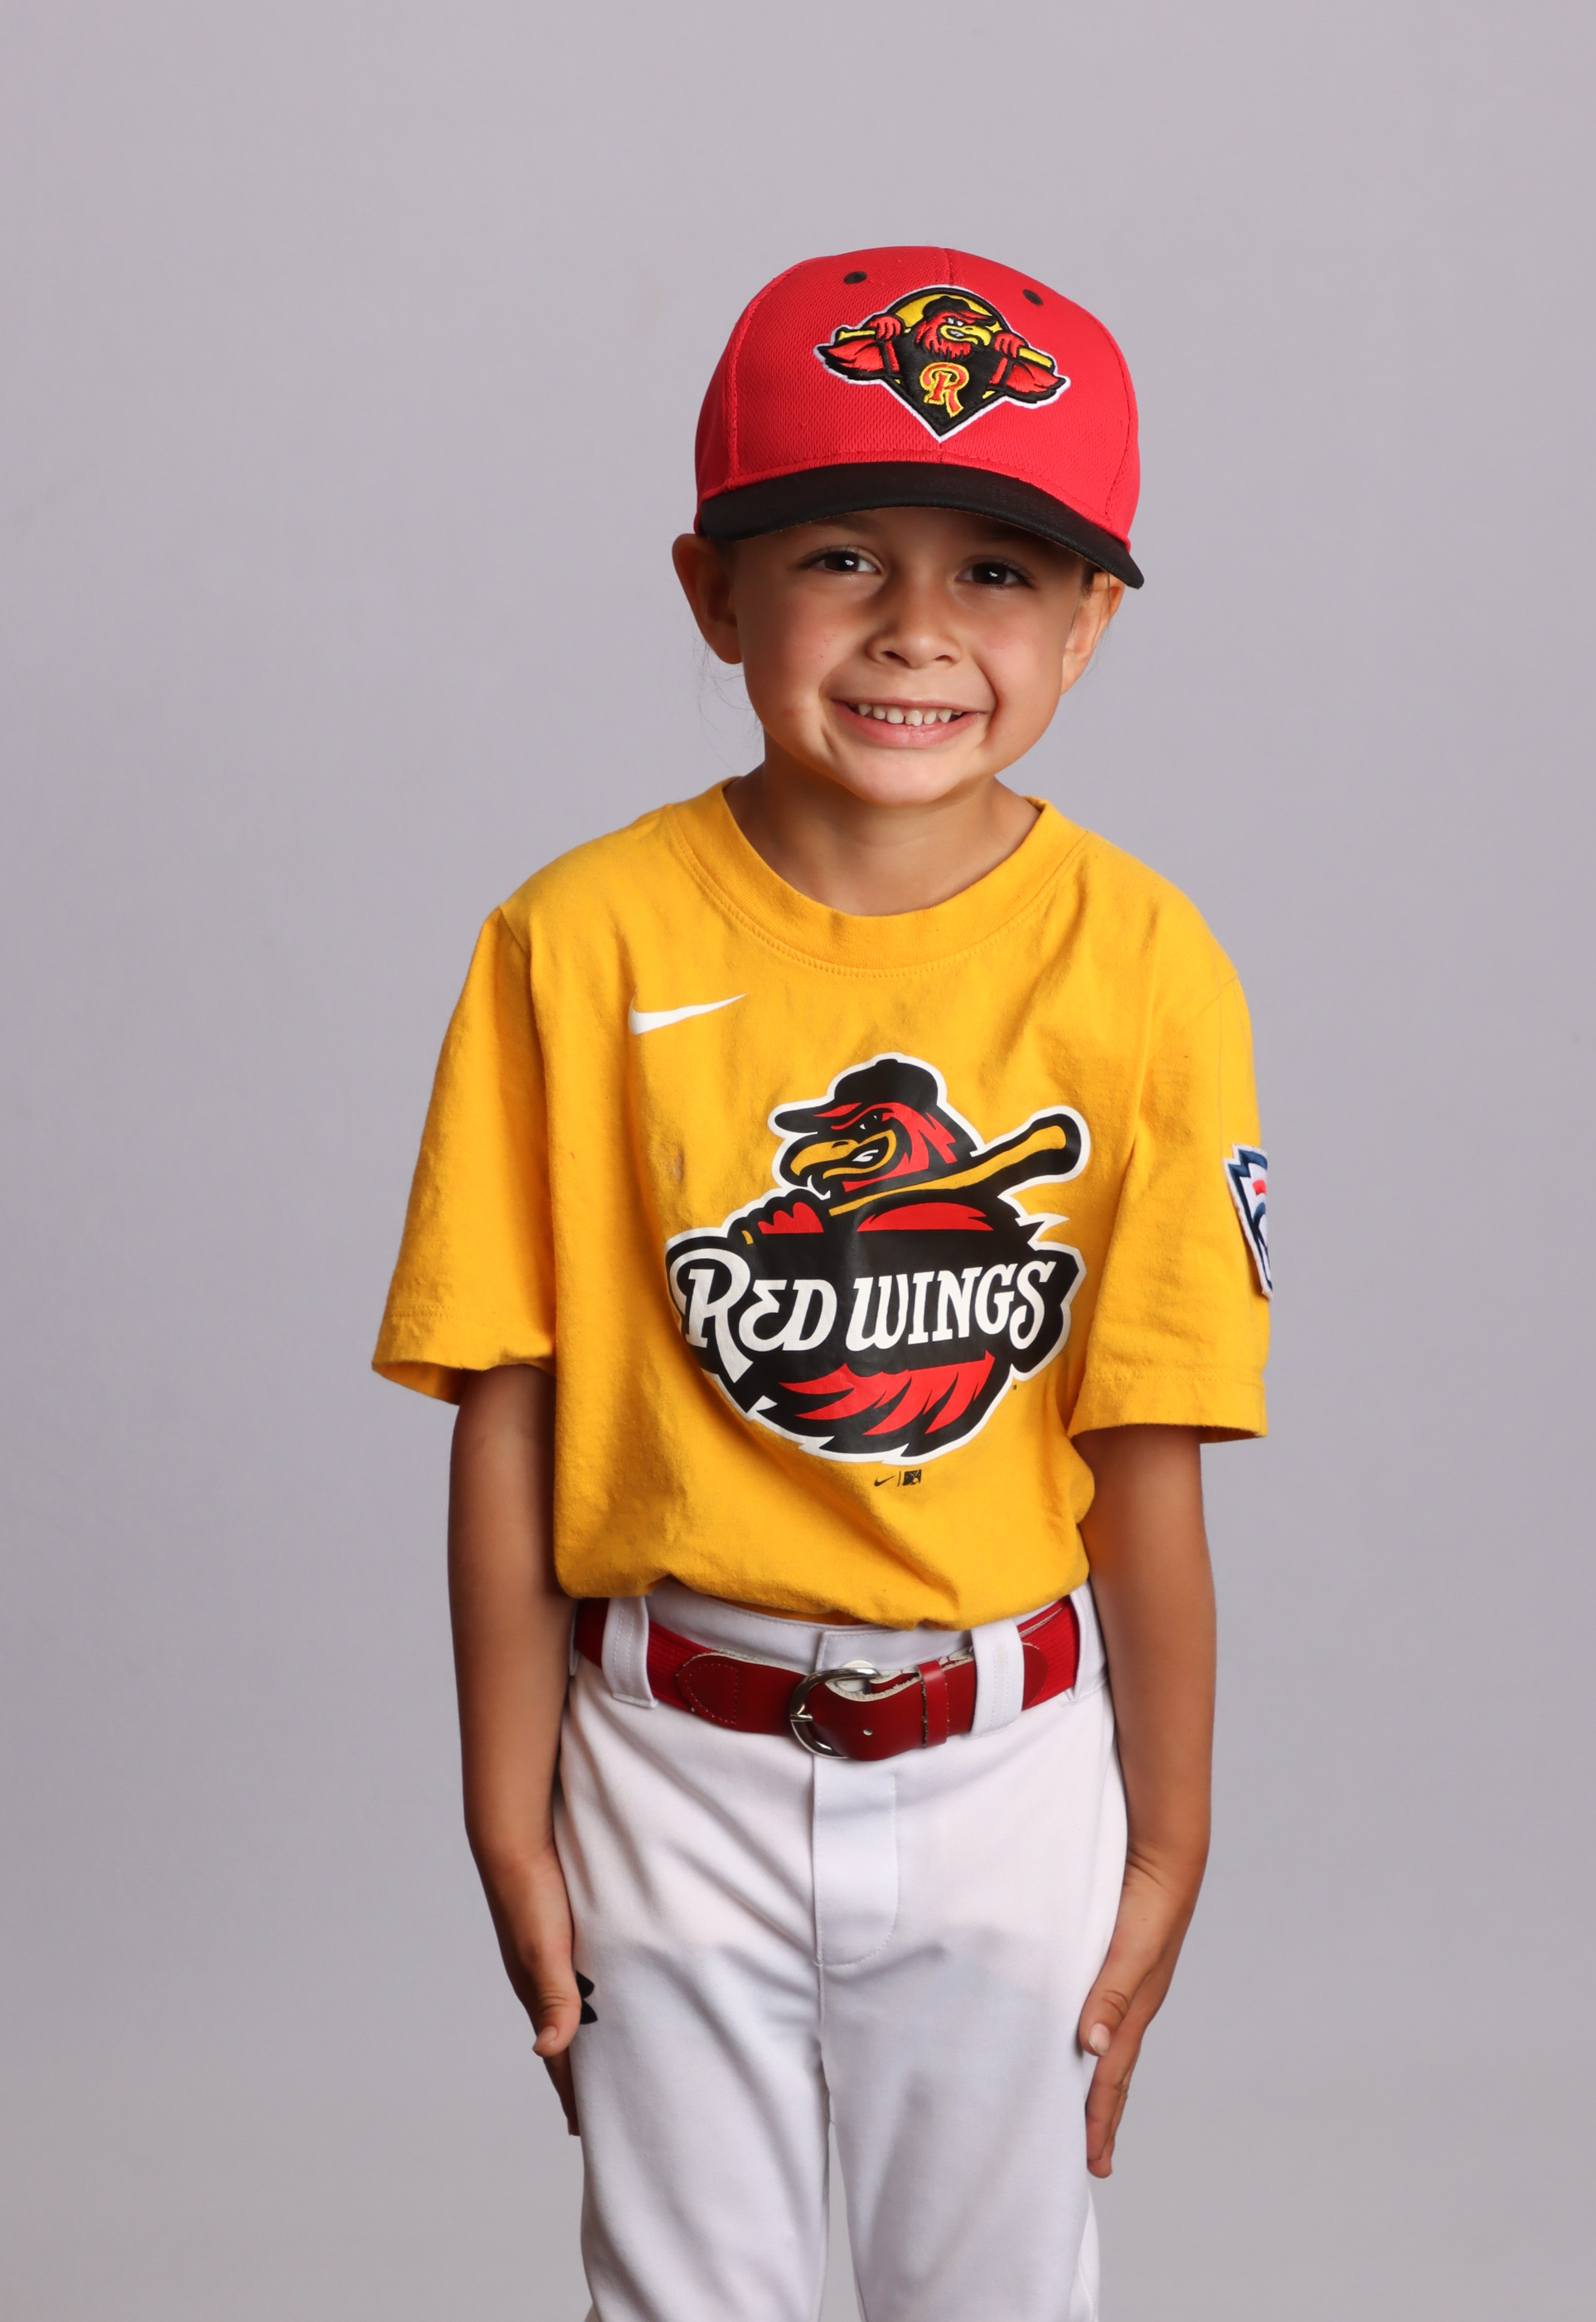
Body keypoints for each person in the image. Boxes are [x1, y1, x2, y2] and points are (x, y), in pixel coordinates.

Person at [374, 245, 1271, 2322]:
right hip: (663, 1744)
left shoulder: (1145, 962)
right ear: (712, 590)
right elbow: (510, 1398)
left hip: (1004, 1756)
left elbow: (1146, 1443)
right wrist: (508, 1811)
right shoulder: (574, 940)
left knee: (994, 2293)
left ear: (1089, 623)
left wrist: (1168, 1834)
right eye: (840, 553)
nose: (914, 628)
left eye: (998, 571)